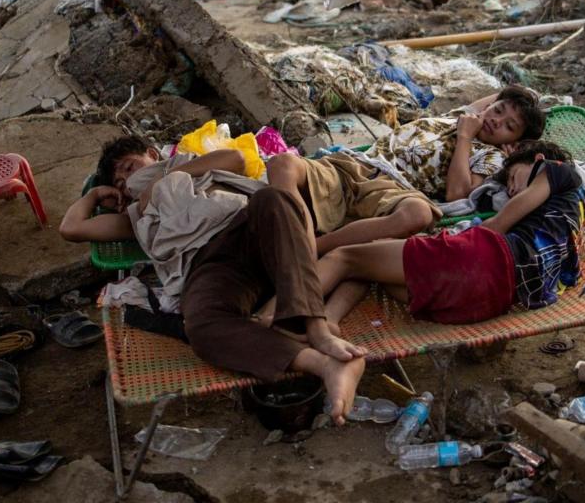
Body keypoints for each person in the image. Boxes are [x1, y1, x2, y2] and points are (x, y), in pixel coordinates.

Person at [59, 136, 366, 425]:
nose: (127, 181)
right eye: (119, 182)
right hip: (209, 266)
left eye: (129, 167)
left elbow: (237, 158)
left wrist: (164, 178)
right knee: (201, 325)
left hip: (247, 227)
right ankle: (324, 364)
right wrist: (97, 194)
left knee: (274, 198)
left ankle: (317, 330)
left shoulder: (187, 167)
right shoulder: (134, 216)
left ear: (152, 154)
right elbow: (71, 229)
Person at [300, 140, 585, 328]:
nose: (512, 190)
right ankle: (330, 321)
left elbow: (496, 226)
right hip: (488, 301)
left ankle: (278, 313)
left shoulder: (558, 171)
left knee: (343, 257)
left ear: (538, 160)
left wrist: (447, 239)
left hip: (483, 260)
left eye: (512, 178)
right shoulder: (573, 217)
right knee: (372, 261)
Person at [267, 85, 547, 255]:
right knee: (283, 164)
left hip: (393, 189)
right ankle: (301, 240)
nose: (497, 121)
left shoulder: (491, 155)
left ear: (515, 141)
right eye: (497, 111)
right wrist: (521, 100)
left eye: (509, 126)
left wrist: (465, 137)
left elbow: (457, 194)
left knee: (418, 214)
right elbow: (504, 95)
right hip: (355, 166)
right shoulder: (459, 115)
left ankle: (314, 248)